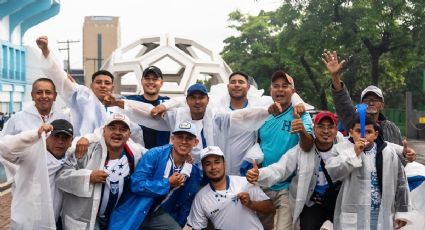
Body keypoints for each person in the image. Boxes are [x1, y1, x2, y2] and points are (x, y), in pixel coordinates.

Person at [110, 82, 274, 166]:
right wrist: (123, 104)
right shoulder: (178, 115)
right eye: (193, 98)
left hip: (210, 170)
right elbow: (149, 113)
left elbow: (241, 116)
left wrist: (267, 111)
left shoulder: (216, 116)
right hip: (181, 169)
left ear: (207, 100)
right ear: (187, 100)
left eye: (201, 97)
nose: (197, 102)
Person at [246, 111, 345, 229]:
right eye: (321, 126)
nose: (325, 131)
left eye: (330, 127)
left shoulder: (344, 147)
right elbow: (280, 169)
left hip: (337, 201)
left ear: (336, 129)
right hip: (313, 202)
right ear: (313, 128)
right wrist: (259, 174)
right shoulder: (301, 150)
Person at [56, 113, 145, 229]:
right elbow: (61, 177)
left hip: (116, 220)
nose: (117, 132)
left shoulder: (135, 154)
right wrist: (88, 177)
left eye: (123, 129)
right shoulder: (85, 150)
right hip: (84, 219)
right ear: (103, 131)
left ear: (129, 135)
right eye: (112, 128)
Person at [108, 121, 203, 229]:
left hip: (157, 213)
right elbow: (136, 185)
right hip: (136, 207)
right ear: (172, 139)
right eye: (180, 137)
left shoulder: (193, 172)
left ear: (195, 142)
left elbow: (184, 204)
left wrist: (179, 225)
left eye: (189, 138)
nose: (184, 141)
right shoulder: (155, 154)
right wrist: (167, 183)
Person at [326, 115, 412, 229]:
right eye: (358, 131)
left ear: (376, 134)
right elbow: (333, 172)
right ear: (351, 132)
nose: (363, 135)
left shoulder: (388, 152)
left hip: (381, 213)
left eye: (368, 132)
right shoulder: (340, 149)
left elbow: (400, 182)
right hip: (354, 215)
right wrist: (354, 153)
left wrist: (402, 212)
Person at [255, 70, 314, 230]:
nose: (280, 90)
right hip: (263, 182)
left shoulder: (301, 114)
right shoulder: (263, 113)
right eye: (276, 86)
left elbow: (308, 146)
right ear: (270, 91)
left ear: (293, 92)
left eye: (285, 86)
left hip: (288, 186)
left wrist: (301, 130)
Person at [36, 36, 122, 137]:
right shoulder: (82, 96)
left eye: (107, 83)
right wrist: (45, 50)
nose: (103, 86)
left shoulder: (120, 107)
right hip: (82, 149)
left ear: (112, 88)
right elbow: (60, 77)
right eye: (98, 82)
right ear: (91, 85)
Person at [0, 119, 73, 229]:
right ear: (47, 137)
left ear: (71, 141)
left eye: (65, 138)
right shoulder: (31, 152)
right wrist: (35, 134)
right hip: (28, 224)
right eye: (56, 136)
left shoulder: (70, 156)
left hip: (54, 221)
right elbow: (4, 148)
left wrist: (86, 140)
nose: (60, 141)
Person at [322, 50, 403, 146]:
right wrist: (335, 76)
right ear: (361, 103)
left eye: (375, 100)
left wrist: (407, 155)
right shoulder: (353, 121)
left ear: (382, 105)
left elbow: (400, 154)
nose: (371, 103)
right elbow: (343, 102)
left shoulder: (392, 128)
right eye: (367, 100)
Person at [187, 146, 275, 230]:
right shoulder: (200, 197)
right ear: (203, 167)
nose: (213, 167)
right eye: (208, 164)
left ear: (224, 163)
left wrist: (250, 204)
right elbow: (197, 227)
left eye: (217, 162)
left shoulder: (245, 182)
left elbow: (270, 208)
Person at [0, 78, 69, 136]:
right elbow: (3, 143)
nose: (44, 96)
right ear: (32, 96)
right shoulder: (17, 119)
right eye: (39, 92)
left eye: (48, 92)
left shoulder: (64, 119)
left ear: (55, 96)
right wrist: (34, 135)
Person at [125, 66, 171, 148]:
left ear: (161, 82)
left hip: (162, 155)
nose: (151, 82)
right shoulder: (131, 101)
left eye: (155, 79)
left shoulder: (168, 103)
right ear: (142, 81)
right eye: (147, 78)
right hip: (136, 155)